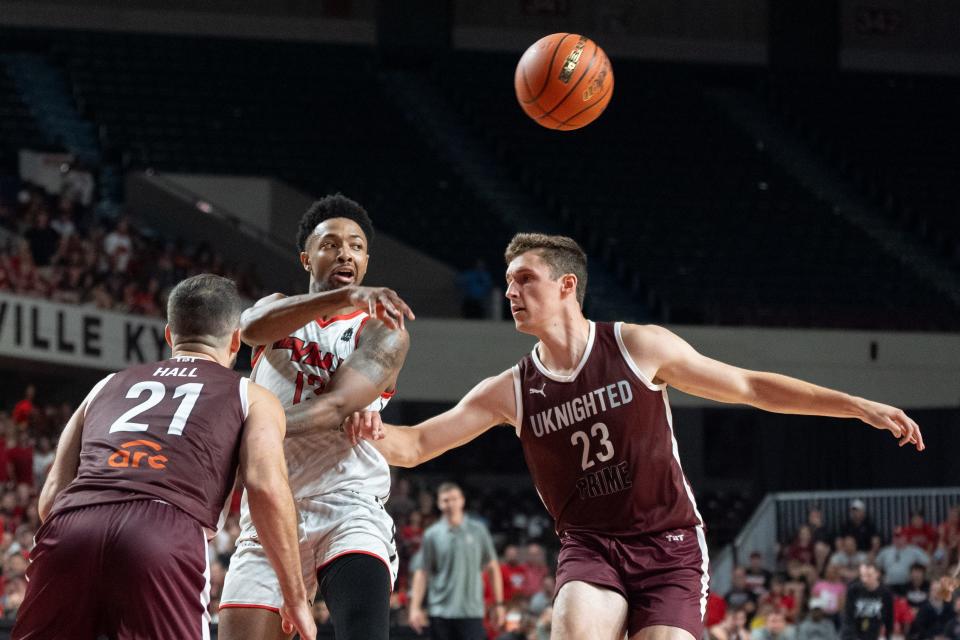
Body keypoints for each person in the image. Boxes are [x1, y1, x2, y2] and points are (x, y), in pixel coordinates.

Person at [347, 233, 924, 640]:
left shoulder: (638, 346)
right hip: (590, 546)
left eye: (525, 279)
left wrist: (854, 405)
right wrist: (370, 427)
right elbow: (418, 444)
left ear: (567, 285)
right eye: (508, 282)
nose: (512, 292)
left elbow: (749, 385)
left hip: (669, 544)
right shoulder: (511, 389)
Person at [11, 274, 315, 640]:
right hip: (164, 529)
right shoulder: (250, 394)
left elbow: (51, 499)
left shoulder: (105, 385)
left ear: (169, 335)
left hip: (71, 527)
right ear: (237, 340)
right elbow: (265, 486)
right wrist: (295, 595)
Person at [218, 194, 416, 640]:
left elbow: (336, 407)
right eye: (331, 244)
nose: (345, 252)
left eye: (357, 245)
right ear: (307, 257)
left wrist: (256, 428)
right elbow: (250, 328)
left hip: (347, 504)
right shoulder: (277, 308)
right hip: (270, 506)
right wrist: (343, 295)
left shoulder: (382, 329)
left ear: (366, 260)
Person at [408, 482, 504, 639]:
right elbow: (422, 572)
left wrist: (499, 604)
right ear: (439, 504)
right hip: (439, 611)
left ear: (462, 500)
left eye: (454, 498)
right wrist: (414, 608)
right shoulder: (432, 534)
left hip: (471, 611)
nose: (450, 503)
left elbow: (493, 567)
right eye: (445, 500)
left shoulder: (478, 530)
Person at [842, 563, 894, 640]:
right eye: (863, 576)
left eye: (869, 575)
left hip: (876, 633)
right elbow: (848, 618)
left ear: (877, 574)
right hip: (855, 634)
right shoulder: (853, 590)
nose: (865, 579)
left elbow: (889, 619)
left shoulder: (886, 593)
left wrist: (887, 636)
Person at [875, 528, 930, 593]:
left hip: (907, 584)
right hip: (889, 584)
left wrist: (918, 576)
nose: (898, 540)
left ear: (905, 538)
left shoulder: (914, 550)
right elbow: (876, 565)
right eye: (896, 537)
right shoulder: (885, 551)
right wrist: (881, 577)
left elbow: (927, 562)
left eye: (900, 537)